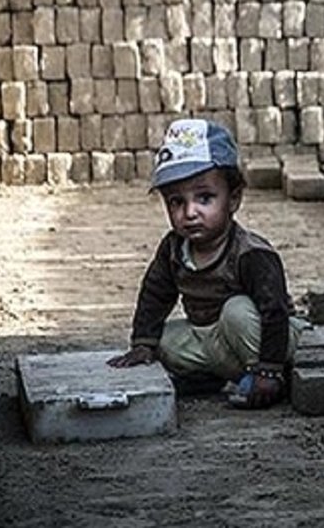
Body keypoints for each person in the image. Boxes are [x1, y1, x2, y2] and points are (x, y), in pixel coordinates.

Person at [108, 118, 305, 409]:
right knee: (165, 342)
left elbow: (274, 312)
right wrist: (143, 344)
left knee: (235, 310)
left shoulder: (251, 254)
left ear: (234, 199)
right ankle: (215, 376)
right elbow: (155, 293)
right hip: (211, 338)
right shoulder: (174, 248)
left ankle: (268, 379)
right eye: (176, 202)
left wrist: (269, 367)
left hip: (267, 339)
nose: (190, 212)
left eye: (205, 198)